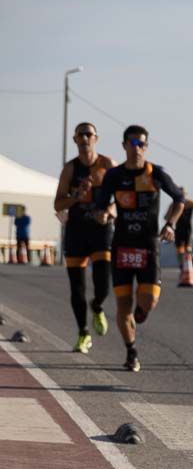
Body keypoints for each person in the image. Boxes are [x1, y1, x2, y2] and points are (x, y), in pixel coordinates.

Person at [93, 125, 185, 372]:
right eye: (132, 143)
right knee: (123, 305)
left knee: (148, 301)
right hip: (122, 245)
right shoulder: (113, 176)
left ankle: (141, 312)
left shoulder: (156, 173)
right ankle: (131, 351)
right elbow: (100, 206)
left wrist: (170, 225)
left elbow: (179, 200)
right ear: (124, 146)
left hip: (148, 245)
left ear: (146, 147)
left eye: (141, 144)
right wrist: (102, 215)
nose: (136, 148)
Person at [55, 123, 117, 351]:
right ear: (74, 140)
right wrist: (75, 197)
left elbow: (122, 197)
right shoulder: (70, 169)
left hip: (101, 230)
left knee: (102, 286)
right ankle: (83, 333)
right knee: (77, 288)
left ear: (96, 138)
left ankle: (97, 306)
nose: (84, 138)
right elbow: (58, 202)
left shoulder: (108, 165)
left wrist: (109, 212)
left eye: (88, 134)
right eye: (80, 134)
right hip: (77, 231)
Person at [174, 188, 193, 288]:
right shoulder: (175, 203)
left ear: (186, 194)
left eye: (183, 193)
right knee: (179, 251)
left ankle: (190, 264)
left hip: (188, 230)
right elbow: (167, 216)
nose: (182, 195)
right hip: (178, 230)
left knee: (188, 250)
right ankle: (182, 267)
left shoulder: (190, 203)